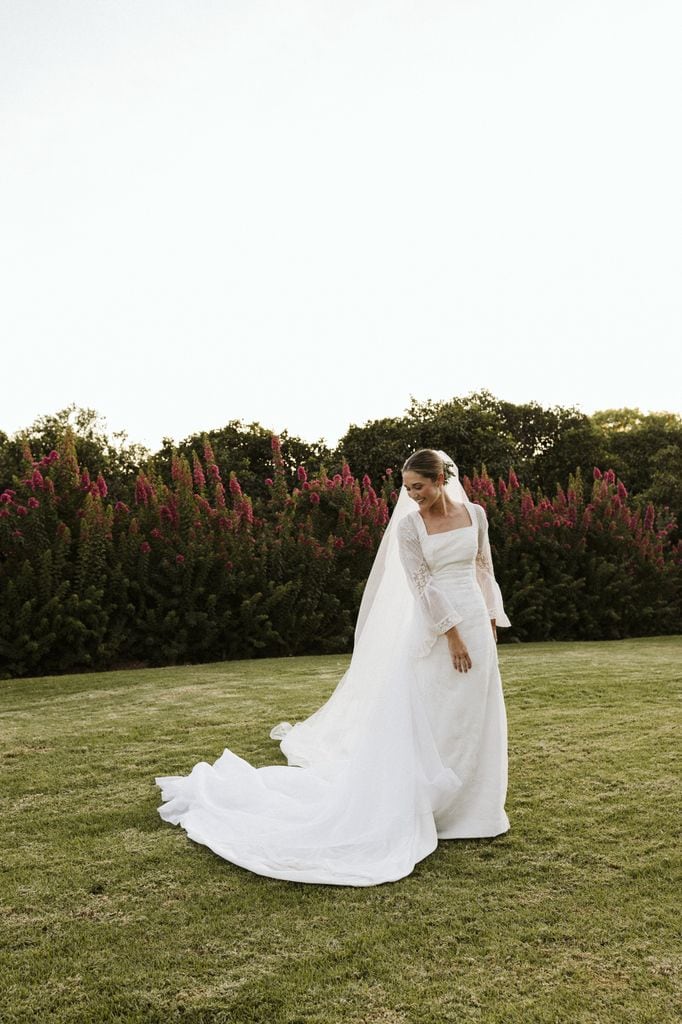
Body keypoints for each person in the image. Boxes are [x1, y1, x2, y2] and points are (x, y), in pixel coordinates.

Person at [155, 449, 511, 886]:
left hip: (476, 620)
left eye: (419, 486)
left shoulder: (475, 513)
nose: (412, 495)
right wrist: (451, 634)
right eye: (407, 488)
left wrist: (490, 620)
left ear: (440, 479)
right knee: (438, 712)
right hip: (440, 628)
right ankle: (430, 806)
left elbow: (482, 565)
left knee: (477, 712)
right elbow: (422, 584)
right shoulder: (409, 526)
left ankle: (476, 810)